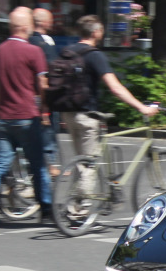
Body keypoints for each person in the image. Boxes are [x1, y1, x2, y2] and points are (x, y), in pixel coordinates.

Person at [0, 7, 53, 228]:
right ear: (26, 27)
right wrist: (45, 109)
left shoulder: (0, 50)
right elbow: (42, 85)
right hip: (27, 116)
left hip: (4, 118)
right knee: (38, 165)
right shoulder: (33, 52)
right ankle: (46, 208)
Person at [61, 15, 158, 166]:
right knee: (88, 168)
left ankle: (82, 188)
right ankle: (86, 191)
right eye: (101, 29)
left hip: (68, 113)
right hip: (87, 114)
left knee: (81, 162)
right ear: (95, 32)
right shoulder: (94, 55)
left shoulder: (67, 52)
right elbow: (115, 87)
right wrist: (142, 107)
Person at [29, 8, 61, 174]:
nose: (52, 23)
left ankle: (48, 164)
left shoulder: (30, 40)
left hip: (33, 93)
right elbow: (48, 72)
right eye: (50, 20)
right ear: (42, 22)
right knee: (48, 129)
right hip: (43, 93)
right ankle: (51, 165)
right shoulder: (41, 43)